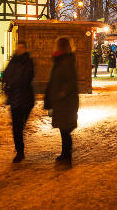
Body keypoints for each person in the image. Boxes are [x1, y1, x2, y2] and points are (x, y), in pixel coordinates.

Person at [44, 37, 79, 166]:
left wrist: (62, 93)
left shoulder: (66, 61)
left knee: (65, 130)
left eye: (57, 45)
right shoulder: (60, 60)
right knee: (63, 129)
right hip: (61, 102)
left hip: (66, 102)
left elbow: (71, 82)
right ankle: (65, 153)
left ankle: (67, 155)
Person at [2, 41, 35, 163]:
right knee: (16, 127)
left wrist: (13, 82)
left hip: (26, 99)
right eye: (18, 47)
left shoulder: (28, 61)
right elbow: (5, 75)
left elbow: (27, 77)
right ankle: (19, 151)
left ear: (25, 49)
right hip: (15, 98)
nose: (19, 49)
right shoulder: (13, 61)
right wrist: (5, 85)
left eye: (22, 47)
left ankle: (20, 148)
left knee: (20, 125)